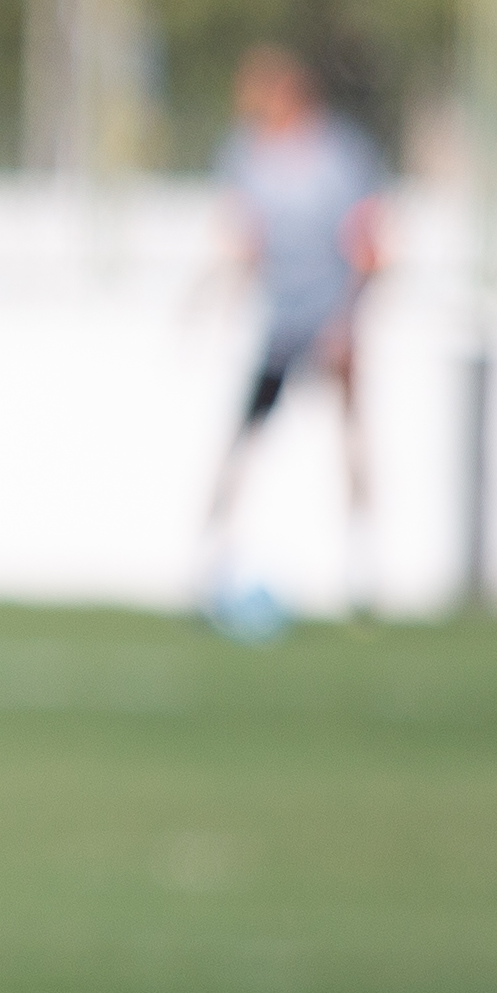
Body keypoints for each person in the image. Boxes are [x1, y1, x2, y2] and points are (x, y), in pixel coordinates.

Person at [199, 43, 387, 631]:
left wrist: (347, 318)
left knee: (349, 437)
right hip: (281, 322)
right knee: (245, 438)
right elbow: (244, 239)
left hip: (329, 318)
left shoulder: (339, 156)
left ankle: (363, 569)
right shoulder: (247, 156)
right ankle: (211, 560)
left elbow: (369, 243)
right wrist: (211, 301)